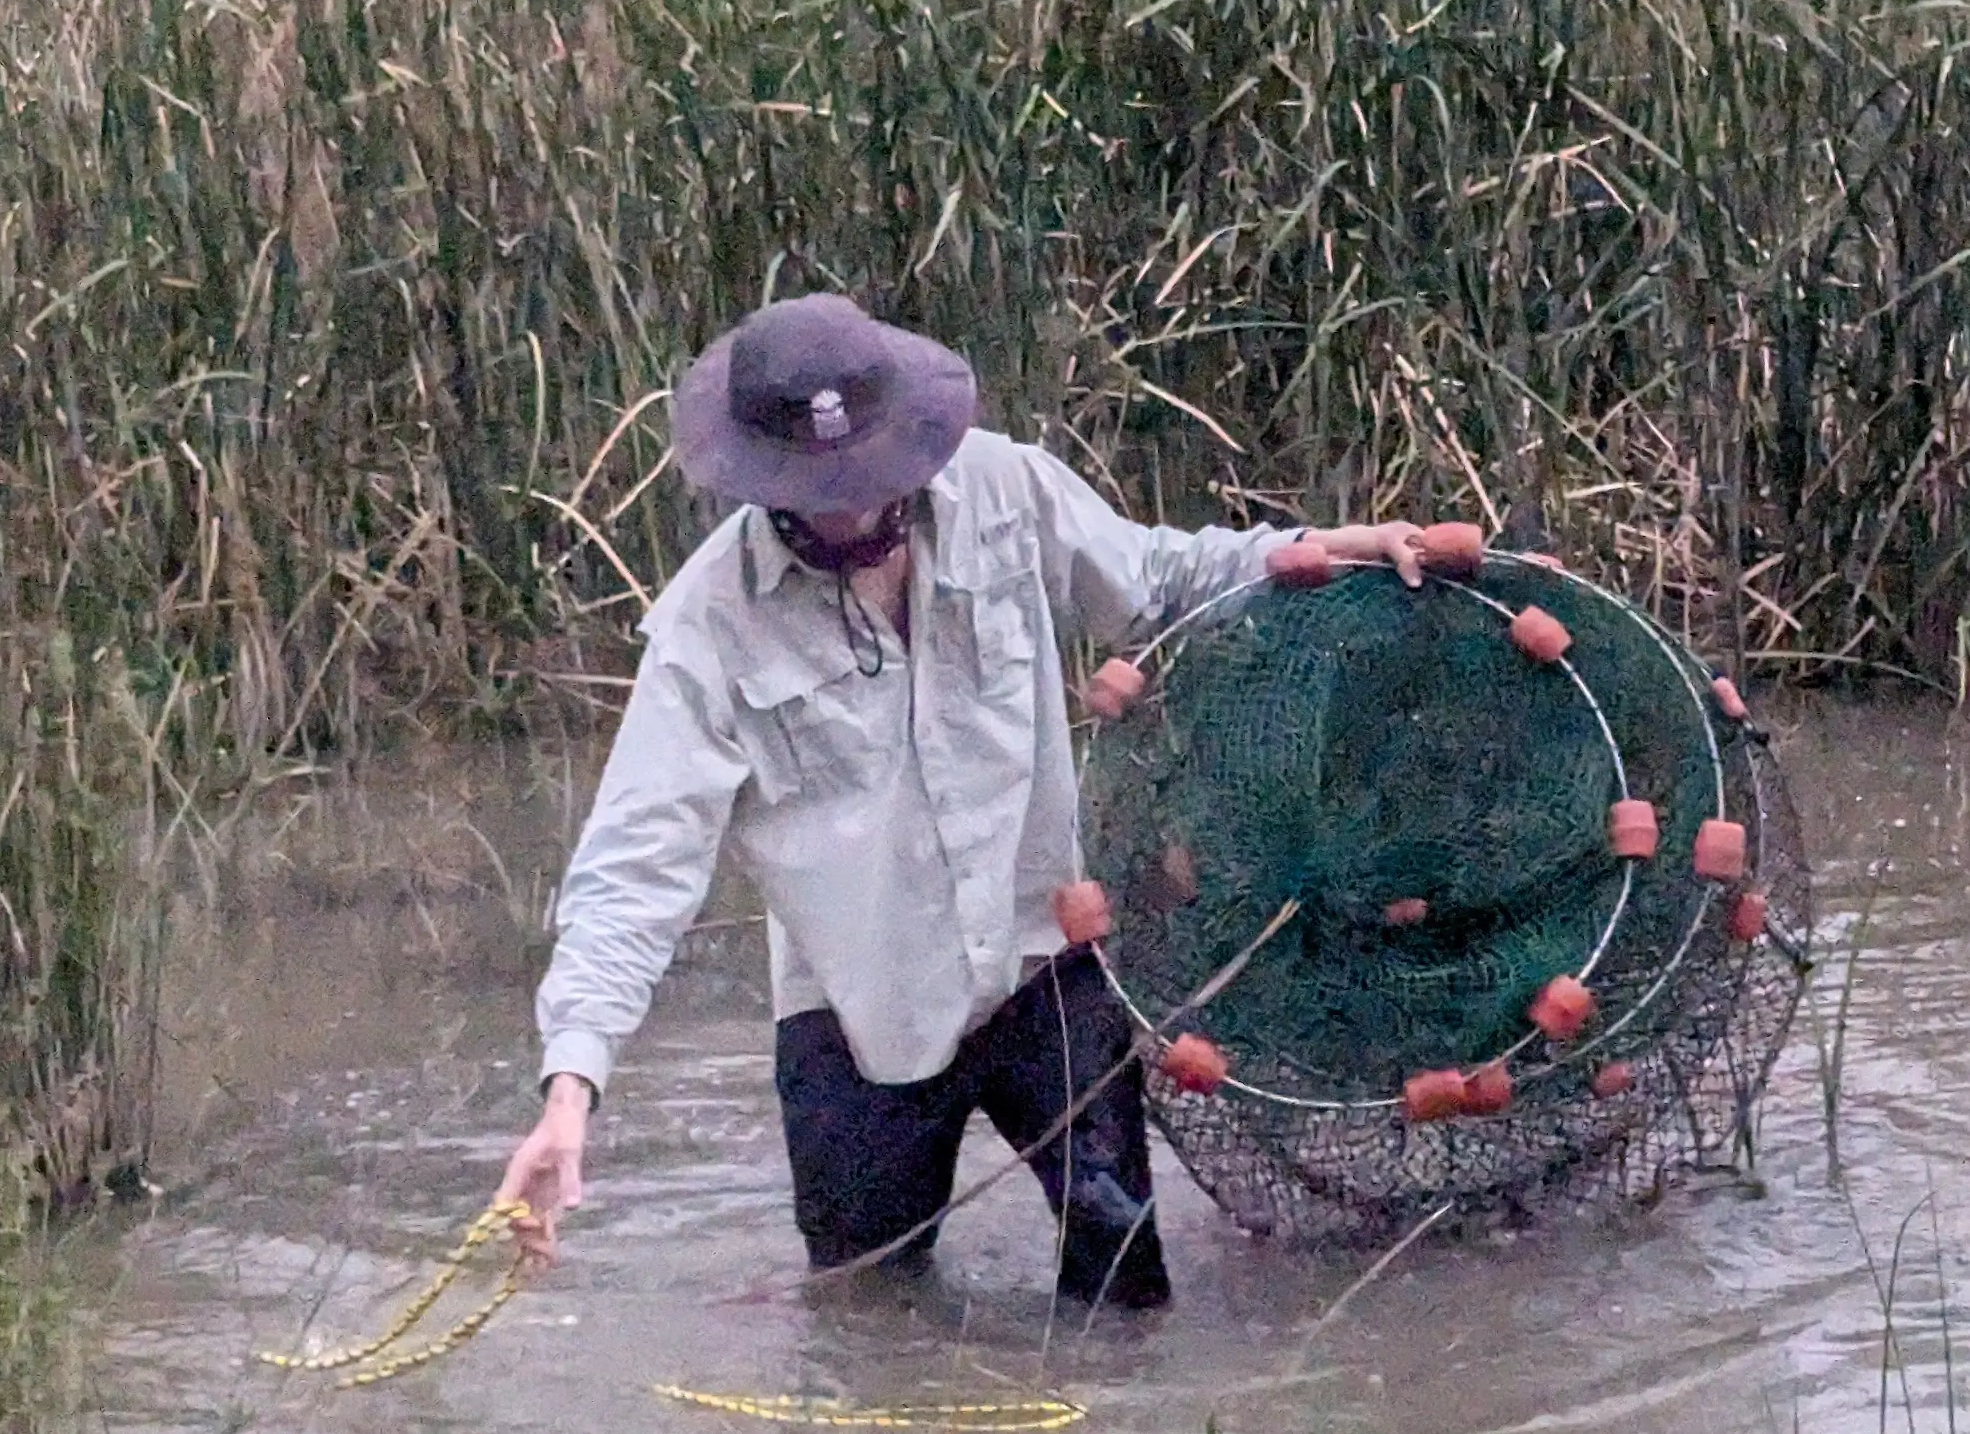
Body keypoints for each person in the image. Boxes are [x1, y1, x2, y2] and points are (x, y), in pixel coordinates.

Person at [490, 294, 1436, 1308]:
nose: (853, 508)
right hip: (859, 1015)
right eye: (817, 488)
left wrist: (1323, 549)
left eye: (867, 475)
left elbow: (1156, 580)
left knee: (1126, 1299)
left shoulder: (1004, 489)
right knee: (868, 1325)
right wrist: (569, 1094)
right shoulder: (707, 629)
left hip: (1046, 963)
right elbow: (635, 867)